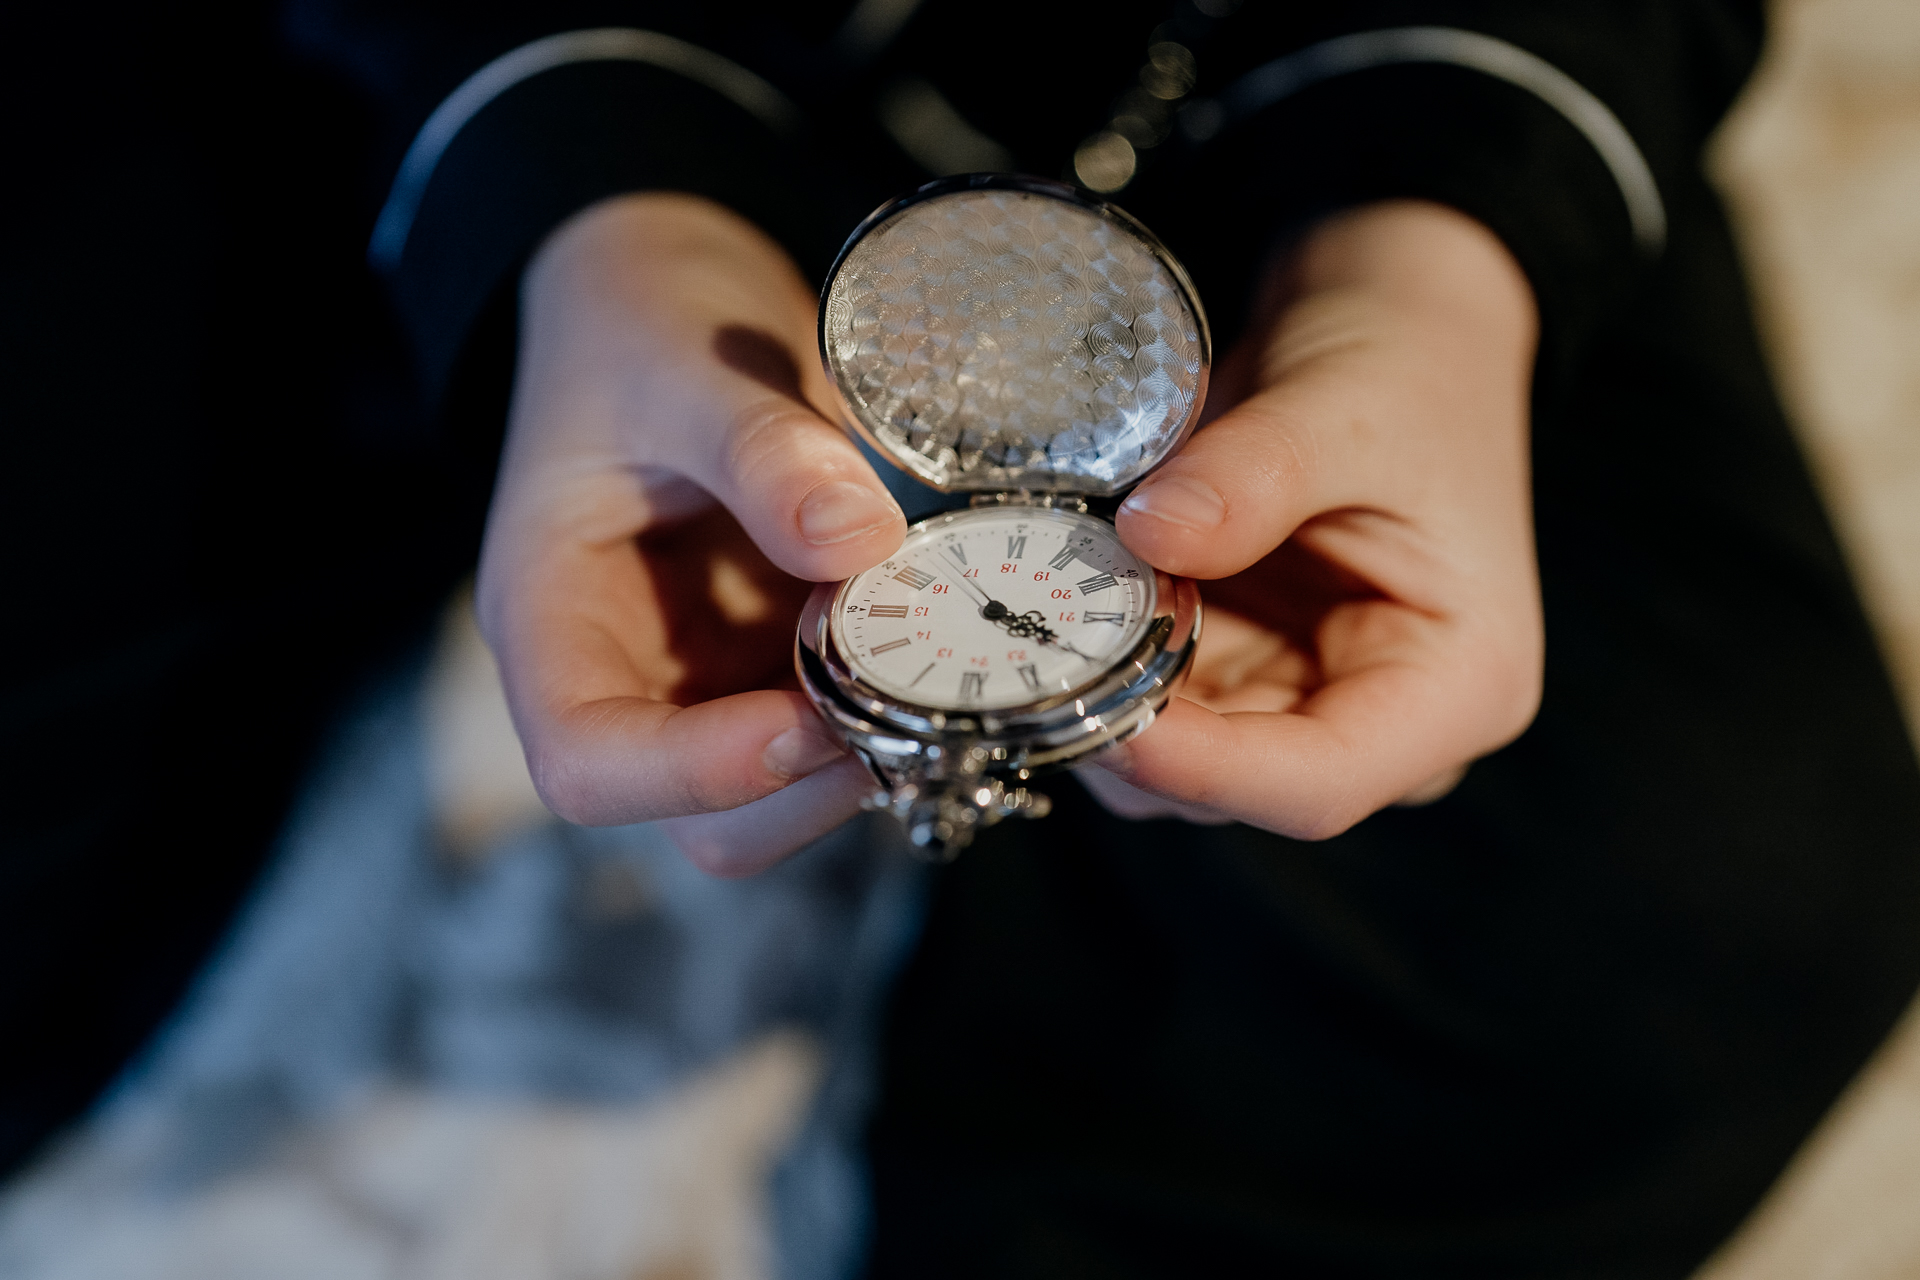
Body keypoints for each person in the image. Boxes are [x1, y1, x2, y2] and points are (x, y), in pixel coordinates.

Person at [7, 1, 1920, 1274]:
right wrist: (575, 184)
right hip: (433, 56)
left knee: (1711, 898)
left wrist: (1434, 244)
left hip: (1328, 88)